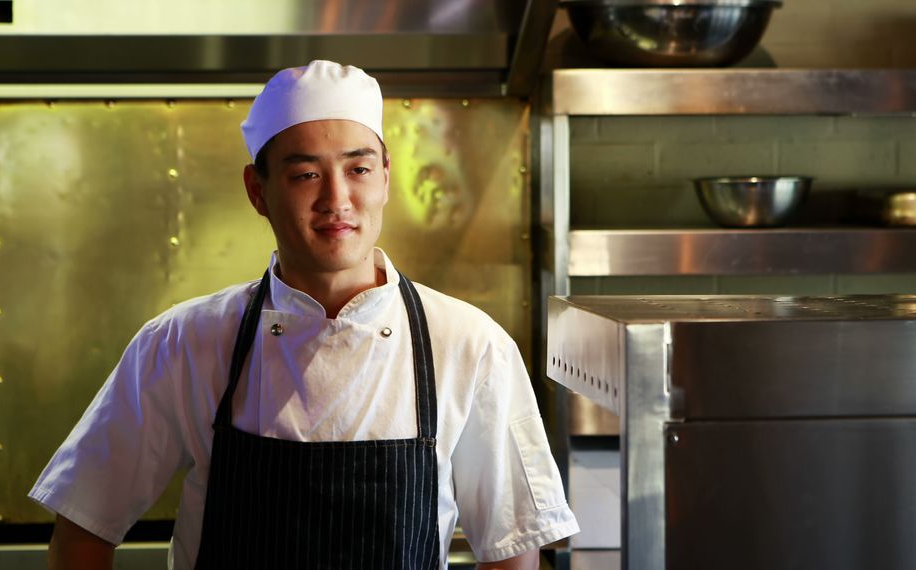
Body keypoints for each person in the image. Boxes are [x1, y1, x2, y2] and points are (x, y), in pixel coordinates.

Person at [29, 60, 579, 569]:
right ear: (257, 190)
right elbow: (82, 529)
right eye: (305, 175)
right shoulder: (182, 341)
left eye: (358, 169)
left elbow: (512, 550)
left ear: (386, 177)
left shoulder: (467, 343)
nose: (336, 199)